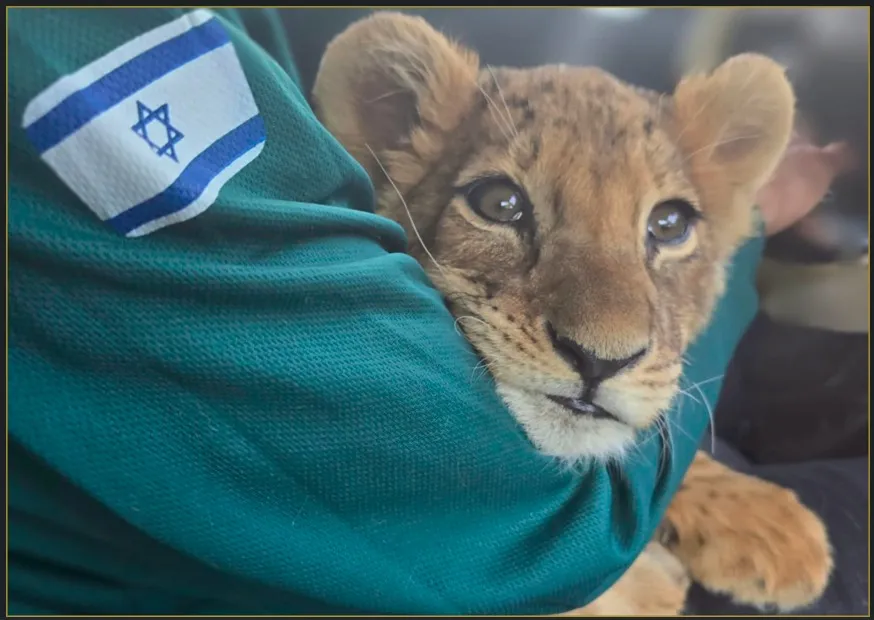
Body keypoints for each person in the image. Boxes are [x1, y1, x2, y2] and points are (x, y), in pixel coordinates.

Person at [5, 8, 848, 615]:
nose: (607, 335)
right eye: (501, 203)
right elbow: (501, 512)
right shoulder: (66, 43)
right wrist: (744, 228)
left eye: (668, 223)